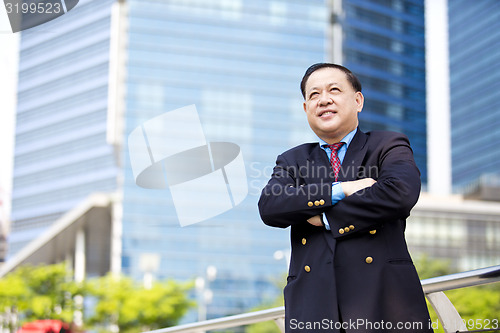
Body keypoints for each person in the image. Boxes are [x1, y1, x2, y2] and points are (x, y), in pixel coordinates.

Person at [258, 63, 433, 333]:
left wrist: (326, 217)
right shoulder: (292, 160)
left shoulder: (387, 144)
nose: (324, 99)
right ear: (306, 109)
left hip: (384, 304)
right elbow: (270, 206)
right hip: (313, 310)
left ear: (358, 100)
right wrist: (341, 189)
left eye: (334, 90)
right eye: (313, 95)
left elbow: (400, 192)